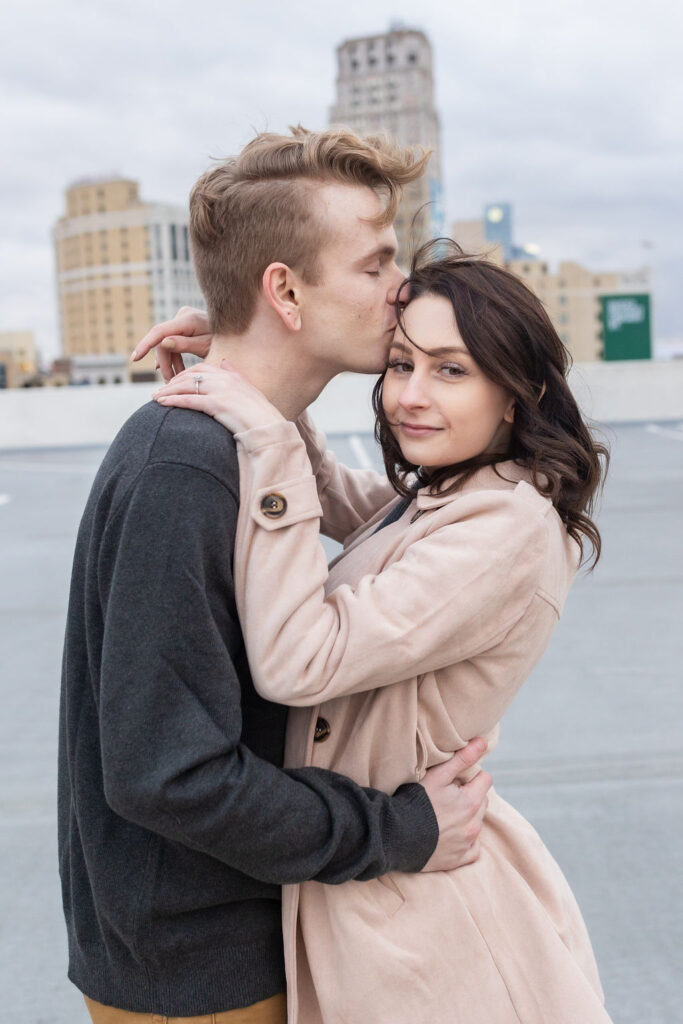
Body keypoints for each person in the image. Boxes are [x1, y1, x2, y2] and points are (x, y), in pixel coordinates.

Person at [58, 128, 494, 1024]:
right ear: (285, 291)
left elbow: (403, 516)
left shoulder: (237, 445)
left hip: (245, 929)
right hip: (198, 962)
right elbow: (166, 774)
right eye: (375, 265)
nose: (400, 290)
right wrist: (401, 829)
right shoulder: (187, 463)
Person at [151, 240, 613, 1023]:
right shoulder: (459, 492)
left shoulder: (503, 526)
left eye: (451, 369)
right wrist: (253, 369)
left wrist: (263, 434)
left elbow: (300, 663)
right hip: (385, 881)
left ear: (517, 391)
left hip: (424, 926)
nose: (411, 395)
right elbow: (341, 499)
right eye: (401, 364)